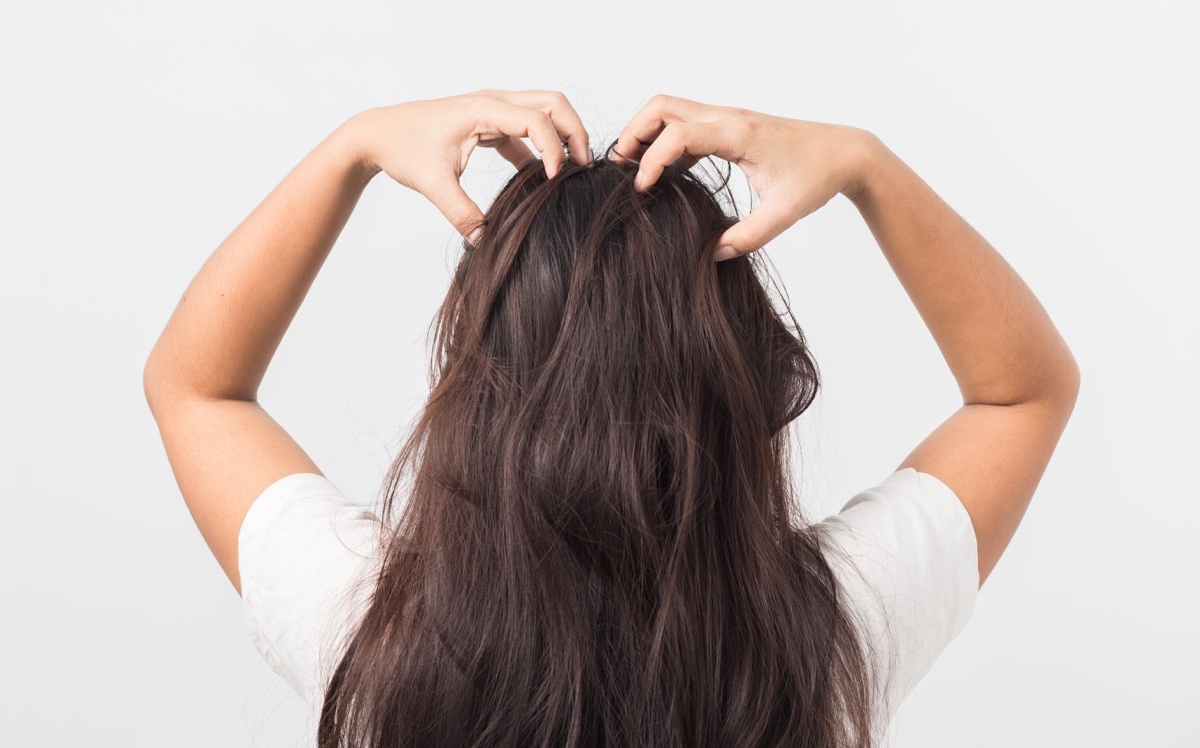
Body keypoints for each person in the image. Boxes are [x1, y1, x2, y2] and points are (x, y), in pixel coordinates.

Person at [143, 90, 1080, 747]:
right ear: (734, 375)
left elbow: (196, 388)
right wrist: (866, 166)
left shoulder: (375, 634)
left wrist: (352, 146)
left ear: (480, 380)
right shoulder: (824, 641)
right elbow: (1023, 392)